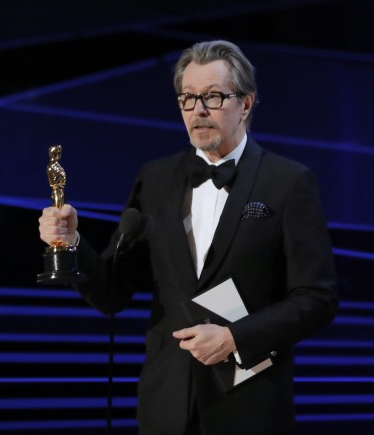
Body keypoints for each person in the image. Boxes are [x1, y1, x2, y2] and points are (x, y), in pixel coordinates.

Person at [38, 40, 338, 435]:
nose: (198, 110)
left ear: (246, 104)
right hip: (166, 404)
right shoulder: (155, 180)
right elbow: (112, 292)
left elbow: (316, 298)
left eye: (213, 96)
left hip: (249, 407)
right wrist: (73, 242)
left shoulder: (288, 182)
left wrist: (234, 337)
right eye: (188, 98)